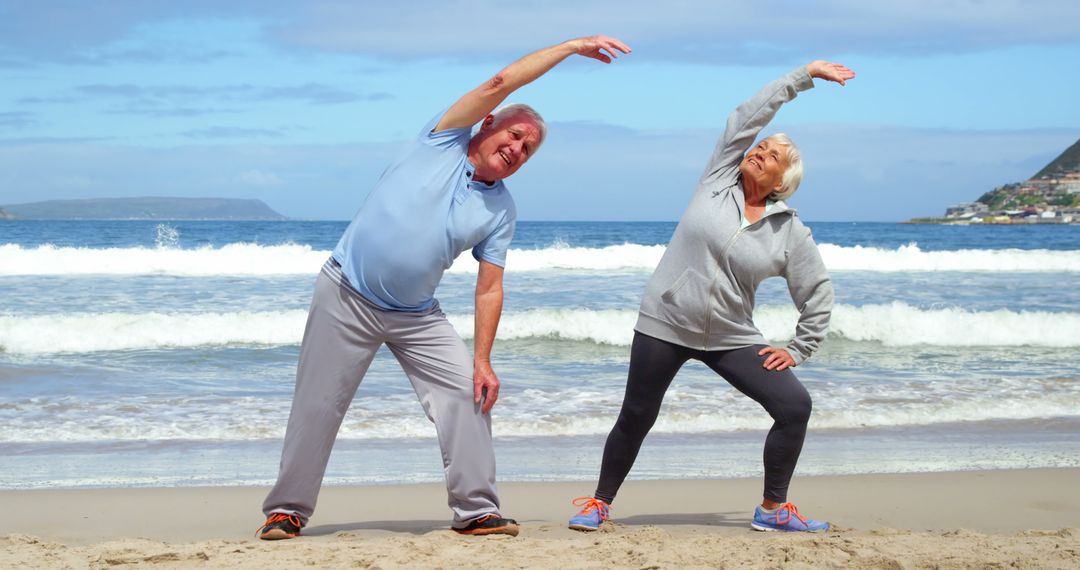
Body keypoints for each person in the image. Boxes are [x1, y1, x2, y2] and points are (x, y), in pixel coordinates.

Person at [258, 35, 631, 540]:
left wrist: (482, 359)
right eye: (515, 134)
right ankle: (287, 510)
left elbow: (489, 288)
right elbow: (502, 81)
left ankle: (476, 510)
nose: (518, 148)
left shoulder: (501, 209)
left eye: (529, 148)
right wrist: (570, 48)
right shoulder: (441, 140)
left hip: (416, 315)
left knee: (468, 393)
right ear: (488, 123)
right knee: (317, 404)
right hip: (346, 293)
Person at [567, 60, 855, 533]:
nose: (760, 152)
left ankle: (772, 509)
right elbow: (746, 118)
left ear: (782, 182)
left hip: (730, 336)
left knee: (794, 407)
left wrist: (799, 348)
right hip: (665, 323)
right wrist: (802, 77)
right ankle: (599, 504)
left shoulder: (789, 232)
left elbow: (817, 292)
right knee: (637, 414)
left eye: (772, 155)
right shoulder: (717, 180)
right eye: (761, 147)